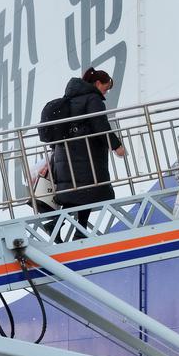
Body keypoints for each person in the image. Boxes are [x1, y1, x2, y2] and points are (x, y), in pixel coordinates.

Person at [51, 67, 127, 240]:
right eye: (105, 88)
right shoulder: (93, 99)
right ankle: (70, 228)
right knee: (87, 191)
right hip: (85, 155)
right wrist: (116, 146)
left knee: (78, 193)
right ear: (98, 83)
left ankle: (64, 227)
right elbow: (100, 125)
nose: (105, 94)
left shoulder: (69, 99)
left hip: (65, 153)